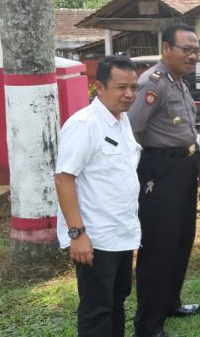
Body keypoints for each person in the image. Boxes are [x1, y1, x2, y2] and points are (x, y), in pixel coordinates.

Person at [128, 24, 200, 337]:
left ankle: (170, 302)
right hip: (160, 174)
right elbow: (132, 131)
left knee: (181, 241)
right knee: (158, 248)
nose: (193, 56)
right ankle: (148, 325)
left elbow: (188, 132)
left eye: (195, 50)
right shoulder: (154, 83)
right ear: (166, 49)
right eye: (186, 49)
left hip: (184, 169)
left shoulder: (179, 82)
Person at [54, 56, 141, 337]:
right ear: (99, 87)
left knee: (117, 302)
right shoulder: (84, 124)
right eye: (121, 87)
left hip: (121, 232)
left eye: (133, 87)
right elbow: (64, 178)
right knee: (96, 310)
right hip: (95, 238)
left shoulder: (122, 121)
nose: (129, 94)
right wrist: (77, 234)